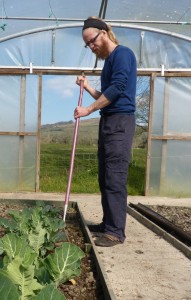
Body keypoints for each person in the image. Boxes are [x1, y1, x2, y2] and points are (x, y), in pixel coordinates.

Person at [75, 17, 137, 247]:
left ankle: (115, 232)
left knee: (115, 177)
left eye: (92, 41)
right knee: (105, 176)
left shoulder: (123, 54)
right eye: (87, 45)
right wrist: (89, 87)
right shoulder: (110, 61)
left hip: (120, 122)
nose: (91, 47)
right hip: (109, 121)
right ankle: (107, 222)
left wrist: (88, 109)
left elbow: (119, 88)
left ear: (104, 33)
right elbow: (107, 94)